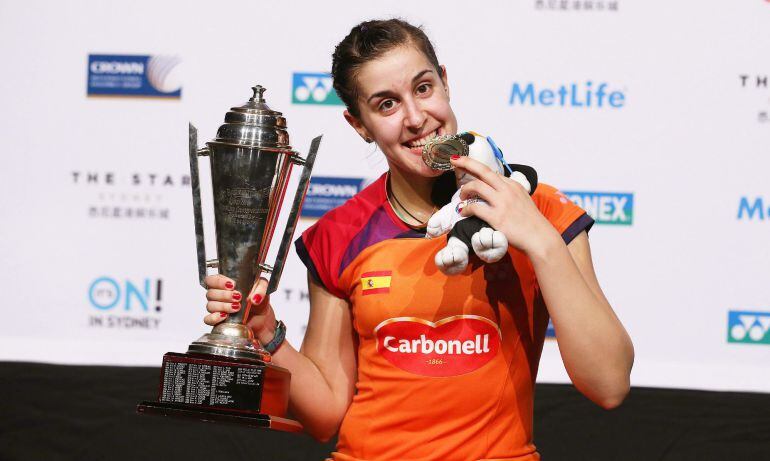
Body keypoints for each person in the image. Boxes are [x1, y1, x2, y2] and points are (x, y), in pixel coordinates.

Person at [202, 18, 634, 461]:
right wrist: (264, 331)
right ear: (360, 125)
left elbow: (610, 384)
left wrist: (539, 241)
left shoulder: (540, 209)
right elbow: (327, 413)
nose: (415, 118)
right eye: (387, 104)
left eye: (423, 88)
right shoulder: (340, 234)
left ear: (445, 82)